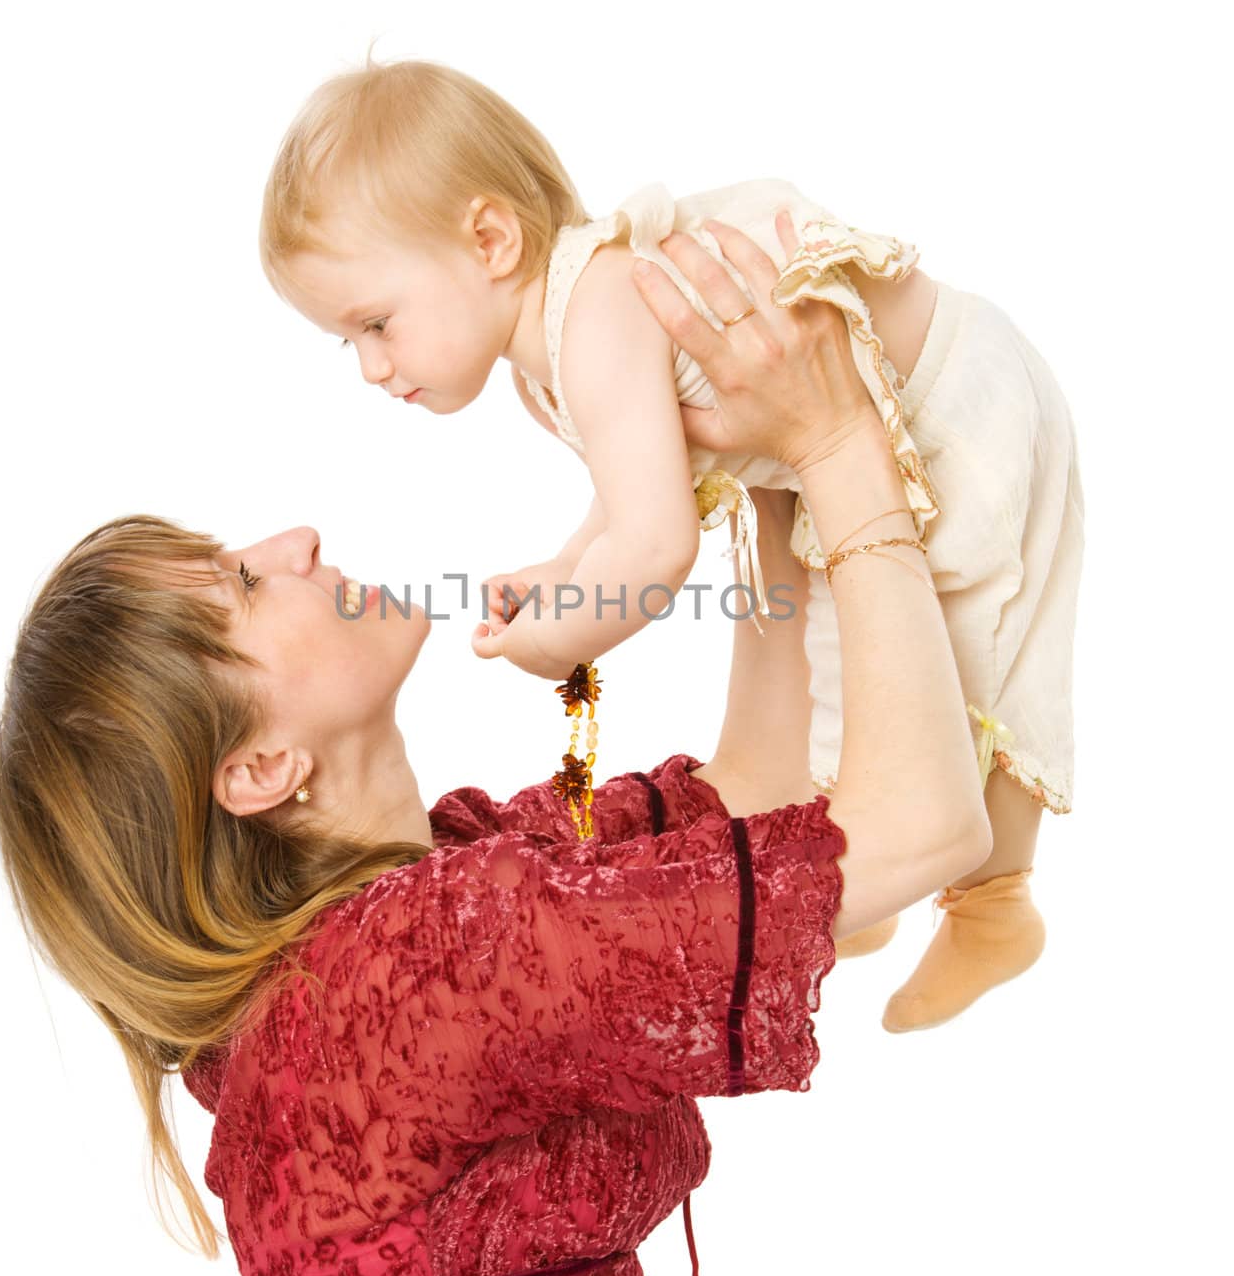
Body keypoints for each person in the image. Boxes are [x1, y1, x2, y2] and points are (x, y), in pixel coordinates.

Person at [0, 235, 993, 1276]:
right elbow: (925, 828)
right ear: (260, 767)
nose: (297, 540)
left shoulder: (390, 933)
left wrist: (764, 474)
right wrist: (840, 442)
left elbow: (756, 788)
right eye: (245, 584)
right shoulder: (421, 968)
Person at [258, 58, 1085, 1030]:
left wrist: (563, 638)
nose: (369, 365)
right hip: (861, 440)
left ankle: (995, 905)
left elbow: (656, 548)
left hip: (956, 409)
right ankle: (862, 881)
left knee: (967, 659)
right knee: (847, 663)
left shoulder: (598, 314)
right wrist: (563, 576)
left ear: (488, 238)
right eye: (344, 340)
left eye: (374, 322)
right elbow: (626, 503)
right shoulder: (549, 355)